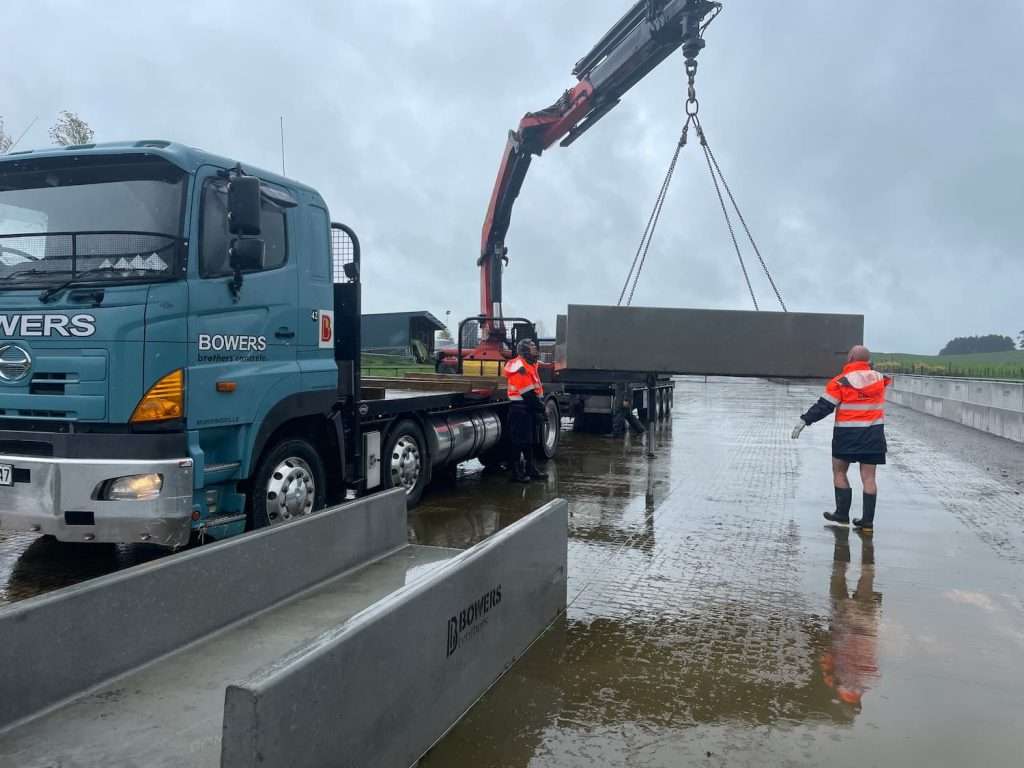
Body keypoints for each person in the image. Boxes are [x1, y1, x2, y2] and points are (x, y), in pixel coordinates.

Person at [791, 345, 892, 531]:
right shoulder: (879, 379)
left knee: (839, 473)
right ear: (867, 360)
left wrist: (805, 420)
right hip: (873, 435)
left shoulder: (841, 381)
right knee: (869, 478)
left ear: (851, 357)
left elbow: (824, 406)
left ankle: (842, 514)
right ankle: (867, 522)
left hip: (846, 435)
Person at [503, 339, 549, 483]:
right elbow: (527, 394)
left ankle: (530, 469)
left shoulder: (530, 364)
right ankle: (516, 473)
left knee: (529, 442)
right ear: (525, 351)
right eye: (532, 347)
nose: (536, 349)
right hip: (520, 408)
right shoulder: (519, 367)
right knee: (518, 442)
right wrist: (542, 408)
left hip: (527, 409)